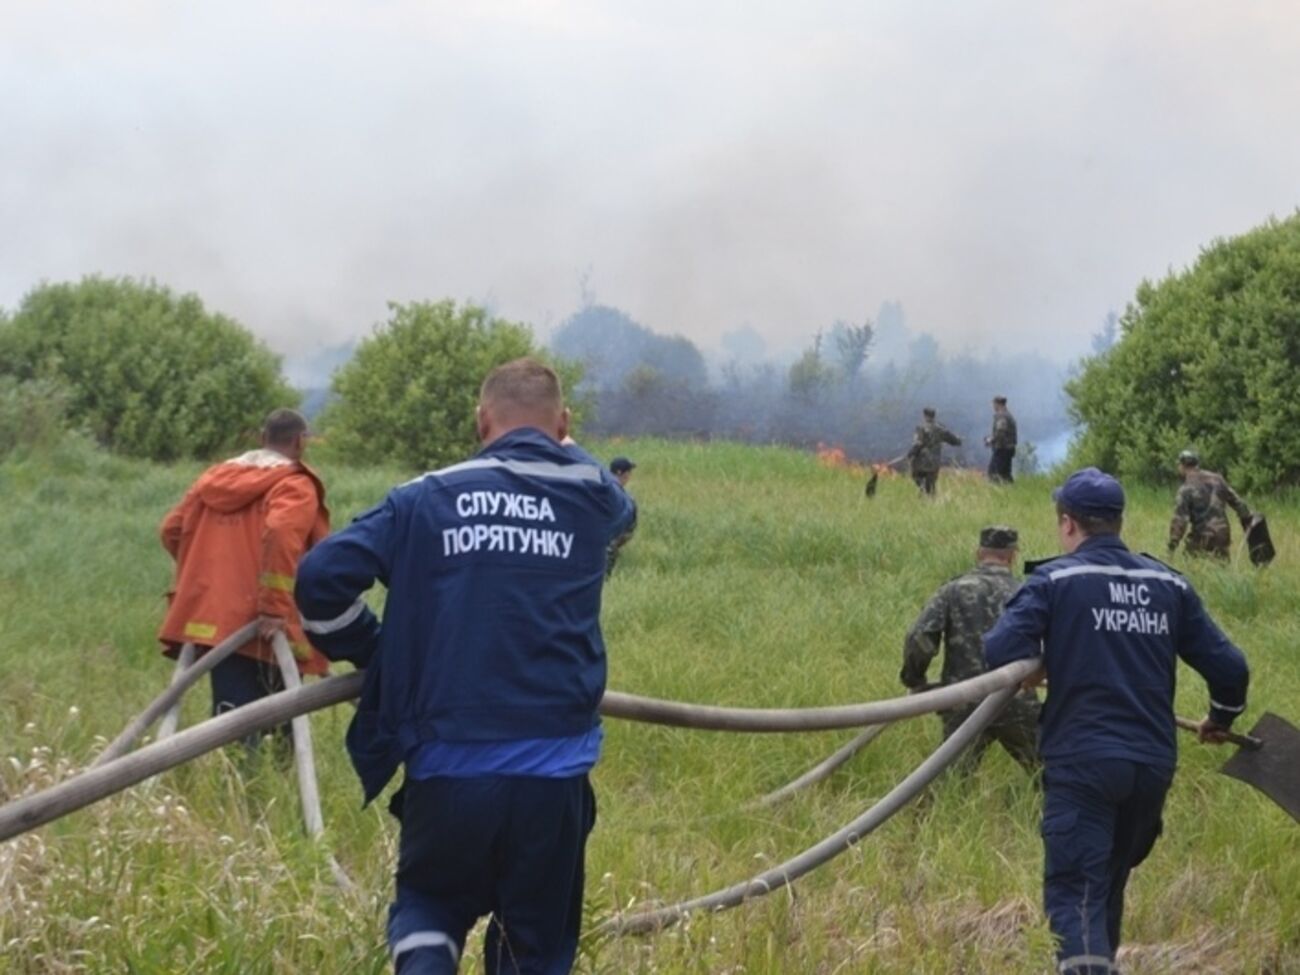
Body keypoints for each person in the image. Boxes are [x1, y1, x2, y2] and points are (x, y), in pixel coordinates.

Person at [295, 358, 635, 975]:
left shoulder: (425, 496)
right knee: (533, 946)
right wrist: (566, 442)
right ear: (563, 424)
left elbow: (320, 580)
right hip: (552, 778)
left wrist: (376, 653)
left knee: (430, 903)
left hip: (448, 770)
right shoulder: (595, 496)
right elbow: (625, 515)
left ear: (481, 421)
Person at [984, 467, 1249, 974]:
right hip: (1151, 764)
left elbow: (1000, 648)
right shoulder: (1168, 582)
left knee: (1076, 889)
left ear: (1067, 524)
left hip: (1083, 760)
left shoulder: (1056, 580)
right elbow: (1231, 667)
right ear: (1119, 522)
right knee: (1105, 880)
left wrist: (1041, 662)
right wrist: (1221, 716)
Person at [158, 408, 330, 722]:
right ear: (300, 442)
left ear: (263, 439)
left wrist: (208, 576)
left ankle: (228, 772)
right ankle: (272, 772)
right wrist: (273, 608)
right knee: (279, 722)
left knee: (228, 718)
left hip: (216, 624)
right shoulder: (294, 485)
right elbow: (280, 533)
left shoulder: (212, 480)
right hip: (269, 626)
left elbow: (171, 529)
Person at [901, 526, 1039, 774]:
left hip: (963, 701)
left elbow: (920, 637)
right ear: (1013, 556)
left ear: (978, 553)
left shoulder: (953, 590)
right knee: (1050, 776)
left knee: (951, 783)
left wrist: (915, 679)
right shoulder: (1026, 592)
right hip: (1016, 699)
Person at [1169, 449, 1253, 559]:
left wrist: (1172, 546)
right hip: (1223, 536)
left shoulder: (1185, 488)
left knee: (1189, 566)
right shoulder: (1217, 479)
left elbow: (1180, 521)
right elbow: (1238, 503)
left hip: (1201, 538)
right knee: (1222, 570)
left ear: (1182, 465)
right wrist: (1247, 520)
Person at [907, 407, 962, 496]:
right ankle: (930, 499)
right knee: (931, 483)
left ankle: (924, 493)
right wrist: (959, 441)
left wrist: (911, 453)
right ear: (934, 415)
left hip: (921, 461)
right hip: (934, 462)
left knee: (916, 477)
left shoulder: (921, 428)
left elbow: (918, 443)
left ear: (924, 415)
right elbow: (953, 440)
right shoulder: (941, 429)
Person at [605, 456, 638, 577]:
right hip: (607, 543)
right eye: (628, 472)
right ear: (620, 473)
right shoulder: (620, 496)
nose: (629, 476)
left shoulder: (603, 486)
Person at [984, 395, 1018, 484]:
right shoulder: (1008, 415)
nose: (993, 406)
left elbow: (1000, 432)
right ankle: (1010, 493)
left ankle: (995, 493)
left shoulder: (1001, 415)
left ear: (998, 404)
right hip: (1009, 449)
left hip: (1002, 449)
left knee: (993, 474)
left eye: (994, 404)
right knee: (1006, 475)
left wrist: (990, 440)